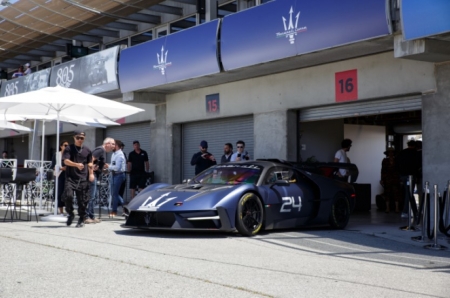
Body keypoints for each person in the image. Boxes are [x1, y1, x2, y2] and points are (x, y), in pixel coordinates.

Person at [62, 130, 92, 228]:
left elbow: (90, 163)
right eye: (78, 138)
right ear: (74, 137)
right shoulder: (69, 148)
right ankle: (70, 213)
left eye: (82, 138)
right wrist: (76, 165)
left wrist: (91, 173)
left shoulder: (87, 150)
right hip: (70, 177)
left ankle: (81, 218)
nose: (80, 140)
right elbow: (66, 161)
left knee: (83, 200)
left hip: (83, 178)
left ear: (84, 139)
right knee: (68, 196)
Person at [86, 137, 115, 223]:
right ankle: (87, 216)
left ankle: (91, 216)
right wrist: (91, 173)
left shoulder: (103, 151)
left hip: (95, 174)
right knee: (91, 197)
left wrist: (103, 168)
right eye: (112, 144)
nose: (114, 146)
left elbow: (96, 162)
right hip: (92, 175)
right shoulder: (100, 150)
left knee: (93, 197)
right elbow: (90, 159)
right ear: (107, 144)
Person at [396, 140, 420, 219]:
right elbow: (417, 165)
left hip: (403, 175)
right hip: (411, 176)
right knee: (409, 193)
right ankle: (405, 211)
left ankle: (415, 211)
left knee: (409, 193)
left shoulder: (402, 153)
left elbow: (397, 164)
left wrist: (399, 175)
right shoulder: (415, 153)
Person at [108, 140, 126, 217]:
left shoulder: (120, 155)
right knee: (114, 193)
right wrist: (107, 168)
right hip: (114, 175)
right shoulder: (113, 154)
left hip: (119, 175)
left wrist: (108, 166)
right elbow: (112, 166)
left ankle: (114, 211)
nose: (112, 146)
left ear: (117, 146)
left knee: (115, 194)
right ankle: (125, 208)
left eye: (113, 144)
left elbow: (117, 168)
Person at [51, 140, 69, 215]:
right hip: (59, 175)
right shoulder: (57, 155)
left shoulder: (69, 155)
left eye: (67, 145)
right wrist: (61, 168)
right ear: (61, 146)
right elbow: (53, 166)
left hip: (68, 175)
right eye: (65, 145)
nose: (66, 147)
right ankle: (61, 211)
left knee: (68, 193)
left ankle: (68, 210)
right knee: (59, 193)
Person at [380, 148, 401, 213]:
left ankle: (397, 208)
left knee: (396, 193)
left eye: (392, 152)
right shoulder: (385, 160)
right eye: (389, 152)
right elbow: (383, 170)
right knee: (387, 193)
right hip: (387, 179)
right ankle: (387, 208)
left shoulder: (397, 160)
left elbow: (399, 170)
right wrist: (382, 179)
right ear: (388, 154)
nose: (391, 154)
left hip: (395, 179)